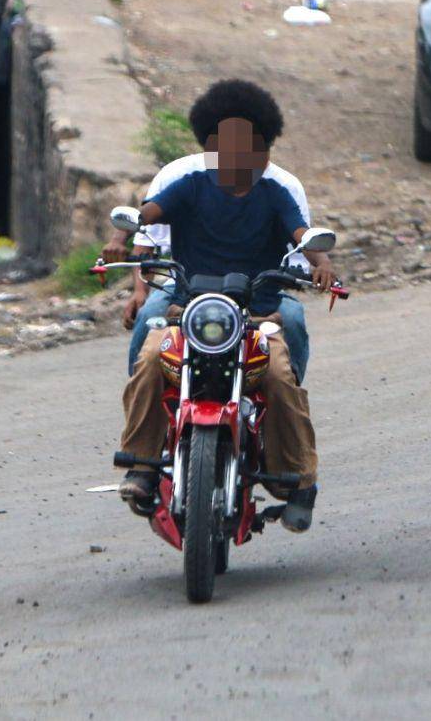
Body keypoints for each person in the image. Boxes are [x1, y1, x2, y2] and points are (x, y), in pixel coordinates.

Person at [116, 80, 336, 533]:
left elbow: (302, 236)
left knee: (279, 377)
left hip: (258, 318)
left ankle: (299, 479)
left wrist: (323, 262)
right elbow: (149, 214)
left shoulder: (277, 192)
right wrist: (123, 233)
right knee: (151, 358)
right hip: (189, 313)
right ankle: (141, 464)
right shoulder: (189, 185)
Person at [104, 152, 312, 382]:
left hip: (259, 291)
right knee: (148, 318)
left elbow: (303, 238)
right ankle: (139, 398)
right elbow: (143, 228)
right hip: (186, 289)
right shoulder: (183, 177)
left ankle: (292, 395)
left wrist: (322, 264)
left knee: (292, 322)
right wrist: (139, 290)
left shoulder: (281, 187)